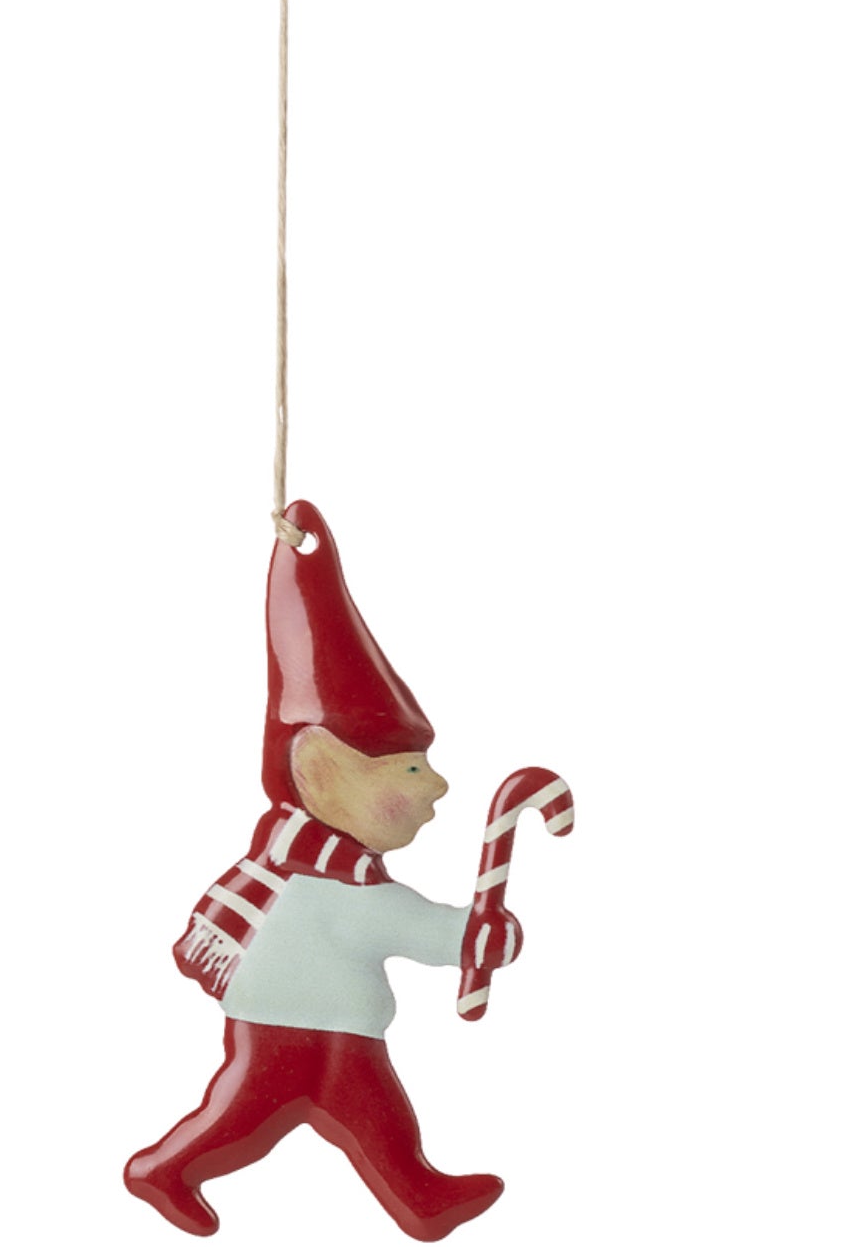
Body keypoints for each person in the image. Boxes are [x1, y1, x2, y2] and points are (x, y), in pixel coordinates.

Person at [124, 500, 520, 1242]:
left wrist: (473, 936)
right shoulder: (336, 885)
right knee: (246, 1115)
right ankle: (166, 1169)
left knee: (369, 1113)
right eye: (410, 769)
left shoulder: (314, 868)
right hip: (291, 1025)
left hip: (327, 1026)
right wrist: (471, 937)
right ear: (323, 774)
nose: (437, 786)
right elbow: (411, 927)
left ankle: (416, 1193)